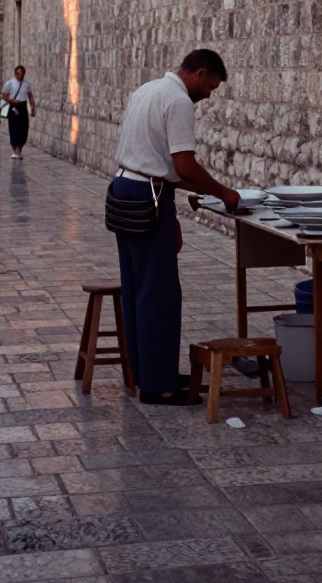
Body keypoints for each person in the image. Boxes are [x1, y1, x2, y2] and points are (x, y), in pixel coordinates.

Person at [109, 49, 239, 406]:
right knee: (160, 294)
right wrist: (224, 191)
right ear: (199, 74)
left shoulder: (146, 90)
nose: (209, 95)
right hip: (147, 196)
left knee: (138, 287)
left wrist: (173, 213)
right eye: (210, 87)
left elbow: (149, 156)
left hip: (126, 190)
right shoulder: (178, 101)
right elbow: (184, 166)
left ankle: (147, 371)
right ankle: (159, 386)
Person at [1, 66, 35, 160]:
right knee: (13, 129)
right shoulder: (10, 83)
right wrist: (10, 100)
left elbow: (30, 95)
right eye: (17, 73)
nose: (19, 75)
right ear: (15, 73)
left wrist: (32, 107)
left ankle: (19, 151)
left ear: (24, 73)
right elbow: (4, 96)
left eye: (21, 73)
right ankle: (15, 151)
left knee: (23, 129)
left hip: (22, 107)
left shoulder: (27, 84)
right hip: (13, 107)